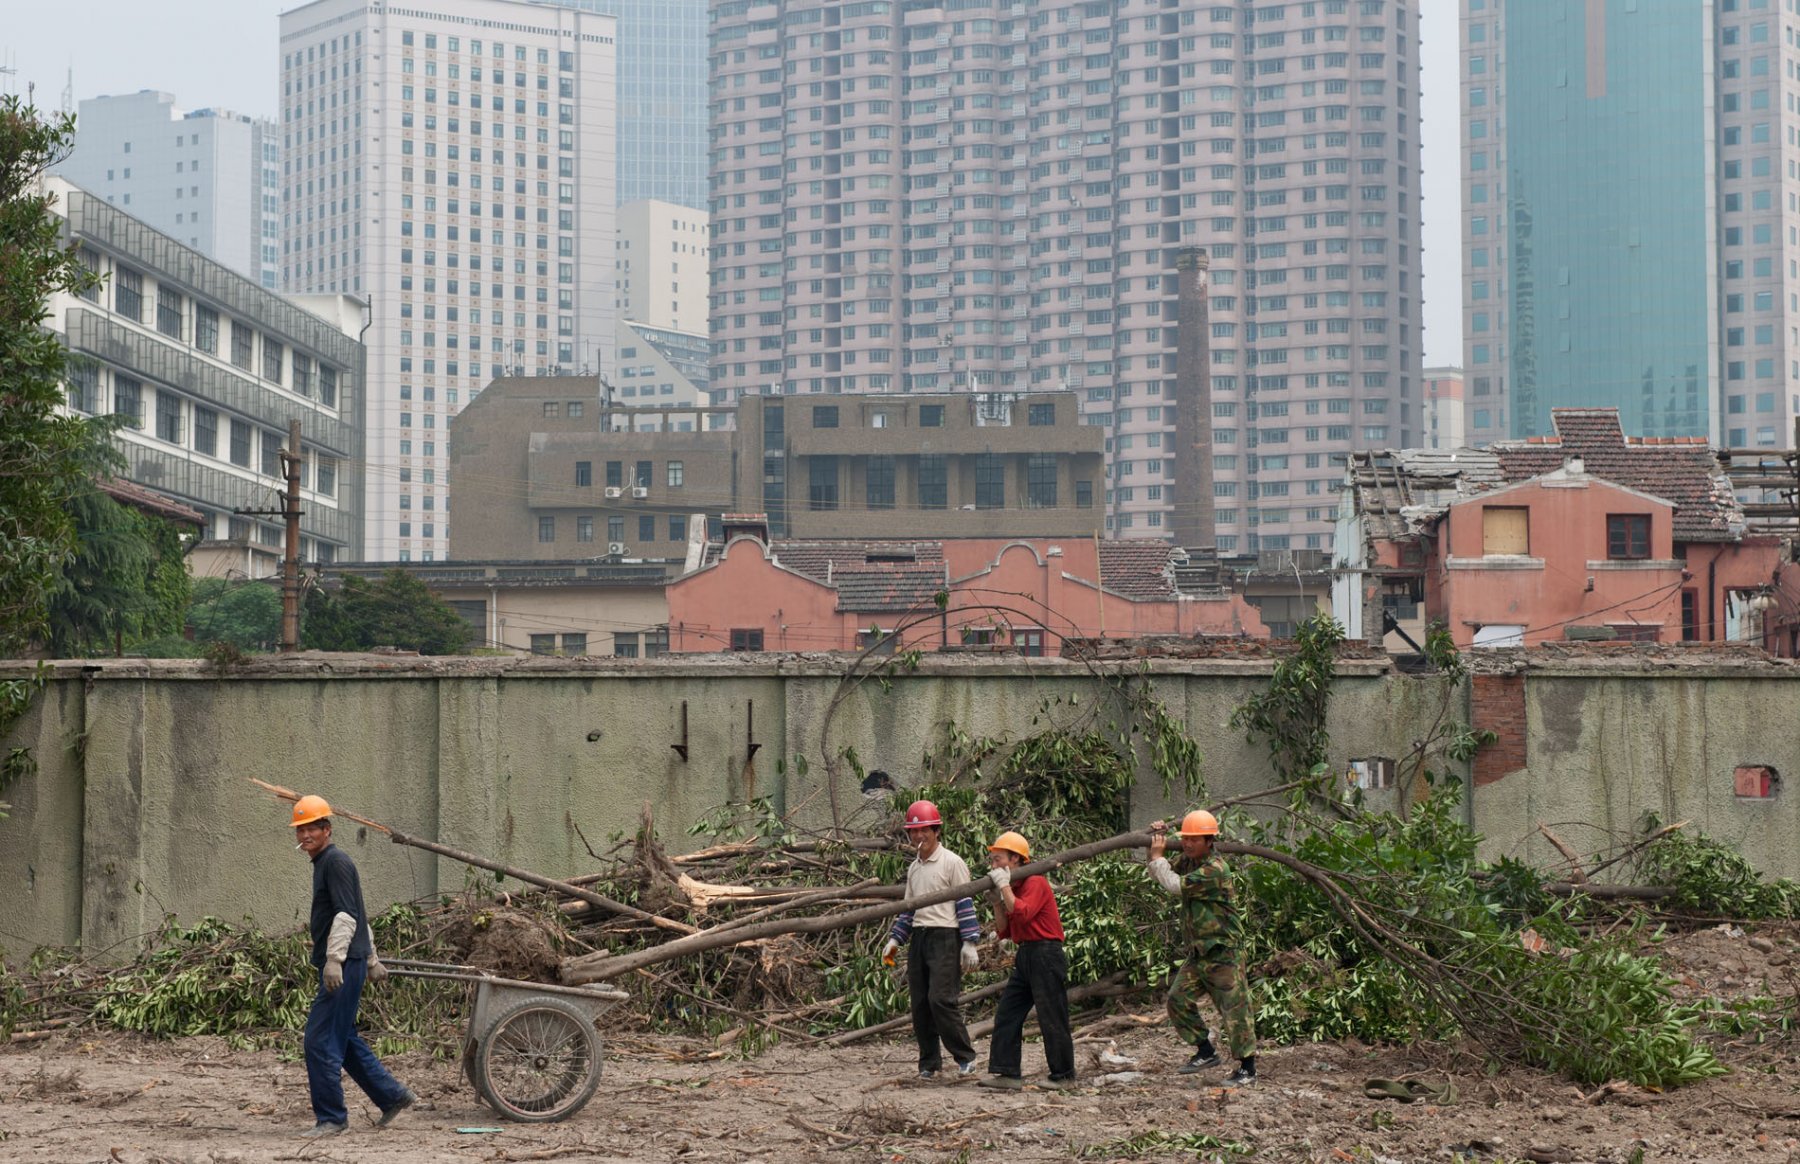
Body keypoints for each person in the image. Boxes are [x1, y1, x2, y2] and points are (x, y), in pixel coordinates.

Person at [289, 794, 417, 1137]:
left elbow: (347, 915)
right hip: (352, 961)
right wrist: (371, 958)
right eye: (300, 830)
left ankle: (332, 1118)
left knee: (319, 1041)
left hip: (344, 965)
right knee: (343, 1038)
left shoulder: (336, 863)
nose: (304, 836)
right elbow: (356, 911)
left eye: (311, 829)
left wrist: (335, 960)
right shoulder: (325, 863)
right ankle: (392, 1096)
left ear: (327, 830)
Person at [1146, 810, 1257, 1085]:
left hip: (1224, 952)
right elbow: (1160, 871)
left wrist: (1158, 857)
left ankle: (1247, 1068)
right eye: (1185, 838)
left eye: (1195, 839)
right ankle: (1205, 1051)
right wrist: (1157, 839)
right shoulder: (1191, 861)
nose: (1188, 844)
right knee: (1177, 999)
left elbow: (1173, 884)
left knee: (1234, 1009)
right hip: (1200, 953)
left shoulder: (1215, 870)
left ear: (1210, 841)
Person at [881, 799, 982, 1080]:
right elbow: (909, 910)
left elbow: (964, 902)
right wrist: (895, 939)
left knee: (941, 999)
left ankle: (965, 1057)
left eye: (923, 830)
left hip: (945, 937)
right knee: (920, 1004)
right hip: (920, 939)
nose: (918, 836)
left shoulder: (952, 862)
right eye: (913, 831)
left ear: (936, 830)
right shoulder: (914, 868)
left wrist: (970, 941)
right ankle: (929, 1063)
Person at [979, 831, 1075, 1089]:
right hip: (1026, 954)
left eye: (998, 859)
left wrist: (1004, 888)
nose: (994, 865)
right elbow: (1005, 931)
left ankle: (1064, 1076)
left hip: (1046, 953)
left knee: (1051, 1014)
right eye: (993, 860)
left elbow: (1022, 913)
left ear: (1016, 859)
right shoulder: (1015, 886)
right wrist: (998, 902)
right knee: (1008, 1011)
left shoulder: (1034, 881)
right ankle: (1007, 1072)